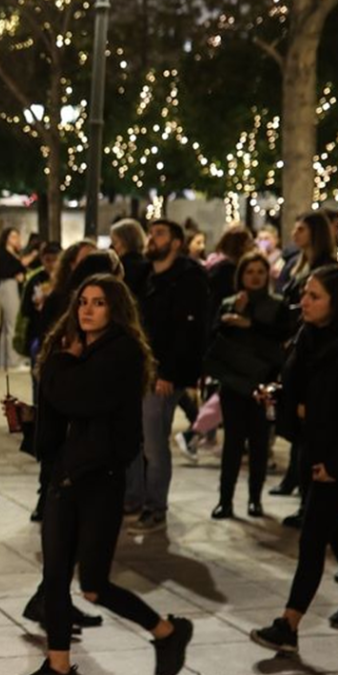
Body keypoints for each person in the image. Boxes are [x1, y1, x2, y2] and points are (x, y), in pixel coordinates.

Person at [11, 275, 193, 675]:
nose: (87, 310)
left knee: (93, 587)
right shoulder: (83, 351)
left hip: (97, 481)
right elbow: (71, 410)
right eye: (83, 302)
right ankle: (59, 667)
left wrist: (60, 363)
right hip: (68, 476)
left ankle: (167, 632)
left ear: (116, 310)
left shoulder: (120, 352)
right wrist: (31, 416)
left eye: (98, 303)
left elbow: (78, 399)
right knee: (55, 577)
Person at [250, 266, 338, 654]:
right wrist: (279, 396)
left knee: (313, 535)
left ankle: (289, 624)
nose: (304, 302)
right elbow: (308, 387)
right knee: (332, 527)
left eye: (314, 296)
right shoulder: (309, 334)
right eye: (305, 294)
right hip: (315, 446)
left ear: (337, 303)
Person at [126, 220, 209, 534]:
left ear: (176, 243)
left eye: (160, 234)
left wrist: (169, 373)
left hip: (163, 375)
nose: (152, 238)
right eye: (151, 233)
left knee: (154, 443)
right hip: (140, 370)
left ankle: (155, 507)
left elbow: (188, 331)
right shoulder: (146, 276)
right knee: (135, 439)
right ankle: (134, 498)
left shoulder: (188, 278)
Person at [202, 252, 288, 518]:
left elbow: (281, 339)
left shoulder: (277, 305)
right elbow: (215, 339)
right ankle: (225, 500)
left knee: (259, 445)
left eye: (260, 272)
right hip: (234, 382)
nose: (255, 277)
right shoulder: (229, 303)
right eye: (250, 272)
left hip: (263, 384)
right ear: (241, 275)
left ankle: (255, 499)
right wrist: (235, 314)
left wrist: (249, 323)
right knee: (232, 445)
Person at [271, 211, 338, 506]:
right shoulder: (295, 263)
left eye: (301, 229)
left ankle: (304, 492)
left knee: (309, 421)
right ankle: (295, 479)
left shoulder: (326, 268)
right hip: (295, 345)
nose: (294, 234)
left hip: (311, 347)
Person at [0, 228, 35, 369]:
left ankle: (5, 360)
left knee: (7, 325)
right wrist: (19, 270)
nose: (16, 239)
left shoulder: (13, 254)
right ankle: (13, 361)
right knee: (12, 324)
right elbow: (8, 270)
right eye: (13, 236)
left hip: (12, 286)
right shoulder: (3, 253)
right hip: (8, 287)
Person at [110, 218, 150, 300]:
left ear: (126, 241)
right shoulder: (149, 265)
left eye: (115, 242)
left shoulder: (122, 267)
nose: (112, 247)